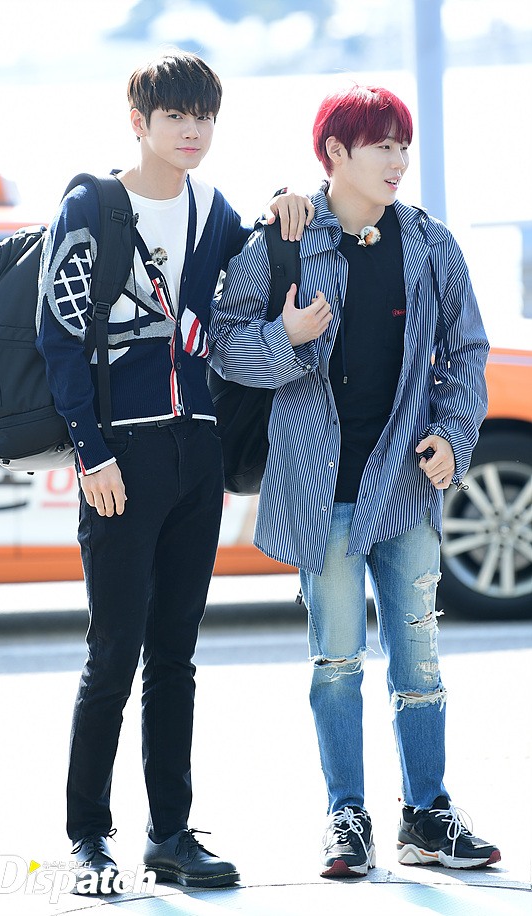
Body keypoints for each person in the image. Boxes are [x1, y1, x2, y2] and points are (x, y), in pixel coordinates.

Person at [36, 49, 313, 891]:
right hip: (120, 454)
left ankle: (170, 834)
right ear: (139, 122)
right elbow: (59, 338)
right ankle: (88, 839)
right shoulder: (92, 204)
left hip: (197, 451)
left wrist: (283, 201)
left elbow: (255, 254)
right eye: (175, 117)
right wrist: (92, 452)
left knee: (175, 656)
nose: (192, 131)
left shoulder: (208, 207)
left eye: (204, 117)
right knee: (113, 653)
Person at [209, 84, 501, 878]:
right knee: (336, 665)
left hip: (405, 488)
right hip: (320, 489)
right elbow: (223, 342)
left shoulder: (430, 245)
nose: (399, 161)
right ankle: (346, 816)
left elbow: (466, 352)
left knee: (420, 664)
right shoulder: (285, 241)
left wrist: (454, 434)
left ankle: (427, 814)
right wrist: (284, 334)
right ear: (335, 153)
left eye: (403, 145)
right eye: (383, 146)